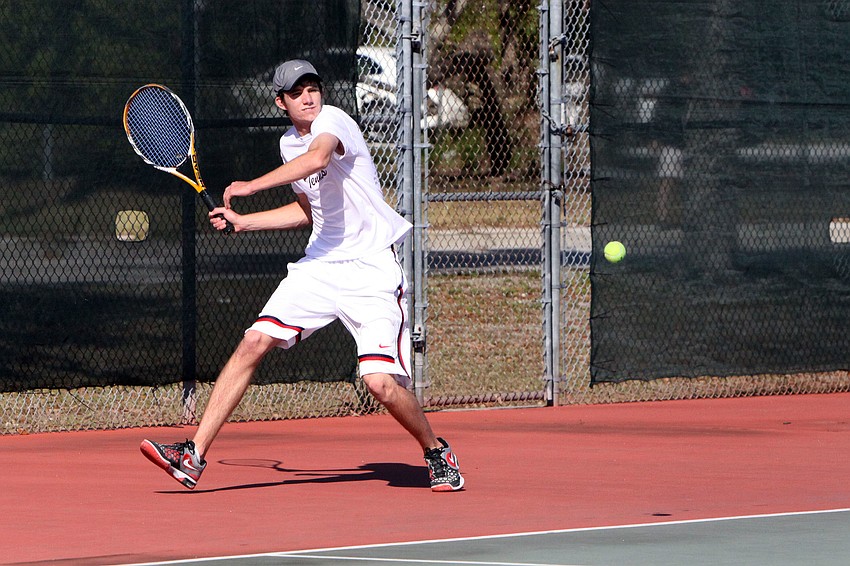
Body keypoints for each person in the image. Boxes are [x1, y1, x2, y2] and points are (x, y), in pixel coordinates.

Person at [140, 59, 464, 492]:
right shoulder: (287, 145)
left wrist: (251, 186)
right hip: (320, 265)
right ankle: (193, 456)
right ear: (281, 102)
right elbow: (308, 212)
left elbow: (318, 158)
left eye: (313, 87)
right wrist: (245, 221)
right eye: (297, 92)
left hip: (370, 269)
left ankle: (435, 451)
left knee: (379, 383)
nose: (308, 97)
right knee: (254, 340)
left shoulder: (334, 121)